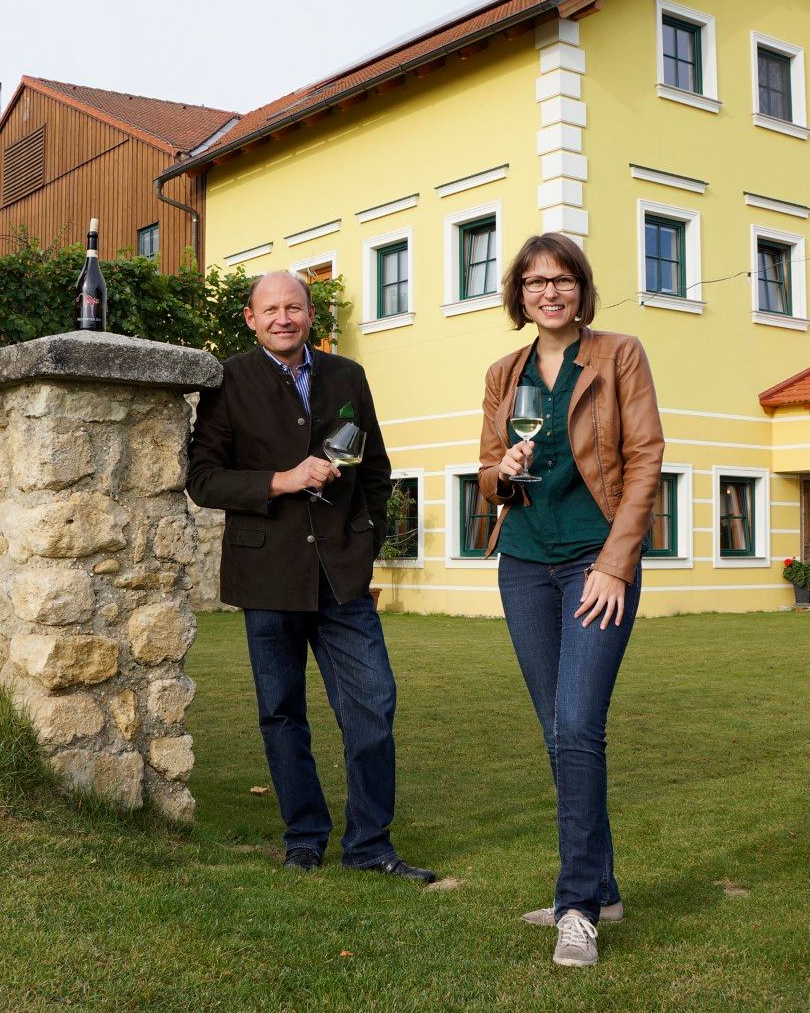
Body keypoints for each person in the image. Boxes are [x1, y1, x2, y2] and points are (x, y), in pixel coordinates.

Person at [187, 271, 434, 883]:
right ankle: (304, 836)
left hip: (341, 575)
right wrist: (281, 480)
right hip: (266, 572)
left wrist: (367, 538)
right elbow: (203, 478)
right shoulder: (229, 379)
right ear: (251, 318)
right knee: (281, 711)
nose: (282, 318)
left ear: (308, 313)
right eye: (269, 309)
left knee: (373, 707)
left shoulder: (346, 376)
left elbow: (375, 468)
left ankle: (370, 843)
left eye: (292, 307)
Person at [476, 233, 664, 967]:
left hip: (595, 558)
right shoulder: (503, 372)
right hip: (523, 561)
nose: (546, 292)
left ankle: (576, 906)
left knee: (580, 725)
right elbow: (486, 473)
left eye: (560, 281)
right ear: (518, 294)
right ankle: (602, 886)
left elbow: (645, 456)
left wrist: (616, 563)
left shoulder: (618, 354)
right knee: (558, 732)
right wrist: (504, 468)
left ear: (581, 290)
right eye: (532, 282)